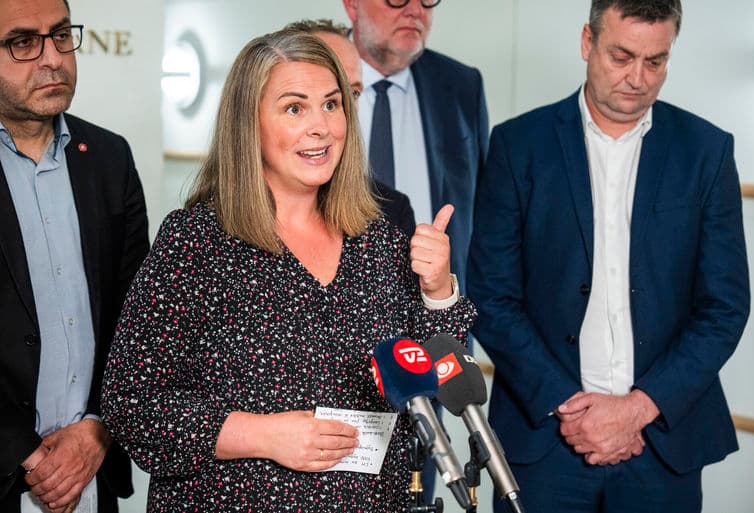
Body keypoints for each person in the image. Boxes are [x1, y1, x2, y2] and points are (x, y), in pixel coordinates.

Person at [100, 30, 475, 513]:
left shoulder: (378, 240)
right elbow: (132, 404)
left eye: (332, 105)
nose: (321, 127)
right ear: (248, 125)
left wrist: (438, 289)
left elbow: (437, 381)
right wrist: (263, 435)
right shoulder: (196, 241)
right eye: (294, 108)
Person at [467, 1, 751, 512]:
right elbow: (492, 295)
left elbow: (725, 307)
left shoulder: (706, 151)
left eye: (655, 61)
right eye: (622, 56)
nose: (638, 78)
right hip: (545, 439)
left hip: (661, 443)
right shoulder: (518, 145)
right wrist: (573, 410)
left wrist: (638, 408)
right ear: (587, 42)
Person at [0, 0, 149, 512]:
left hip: (92, 472)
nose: (52, 59)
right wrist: (27, 456)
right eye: (23, 42)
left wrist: (98, 429)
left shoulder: (109, 157)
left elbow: (137, 321)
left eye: (61, 35)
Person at [342, 0, 489, 295]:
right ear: (352, 5)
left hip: (434, 304)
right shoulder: (309, 75)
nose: (415, 10)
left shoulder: (461, 85)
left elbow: (484, 212)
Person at [283, 18, 416, 236]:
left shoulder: (390, 213)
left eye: (352, 93)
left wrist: (437, 262)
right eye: (296, 107)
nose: (339, 111)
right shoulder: (220, 224)